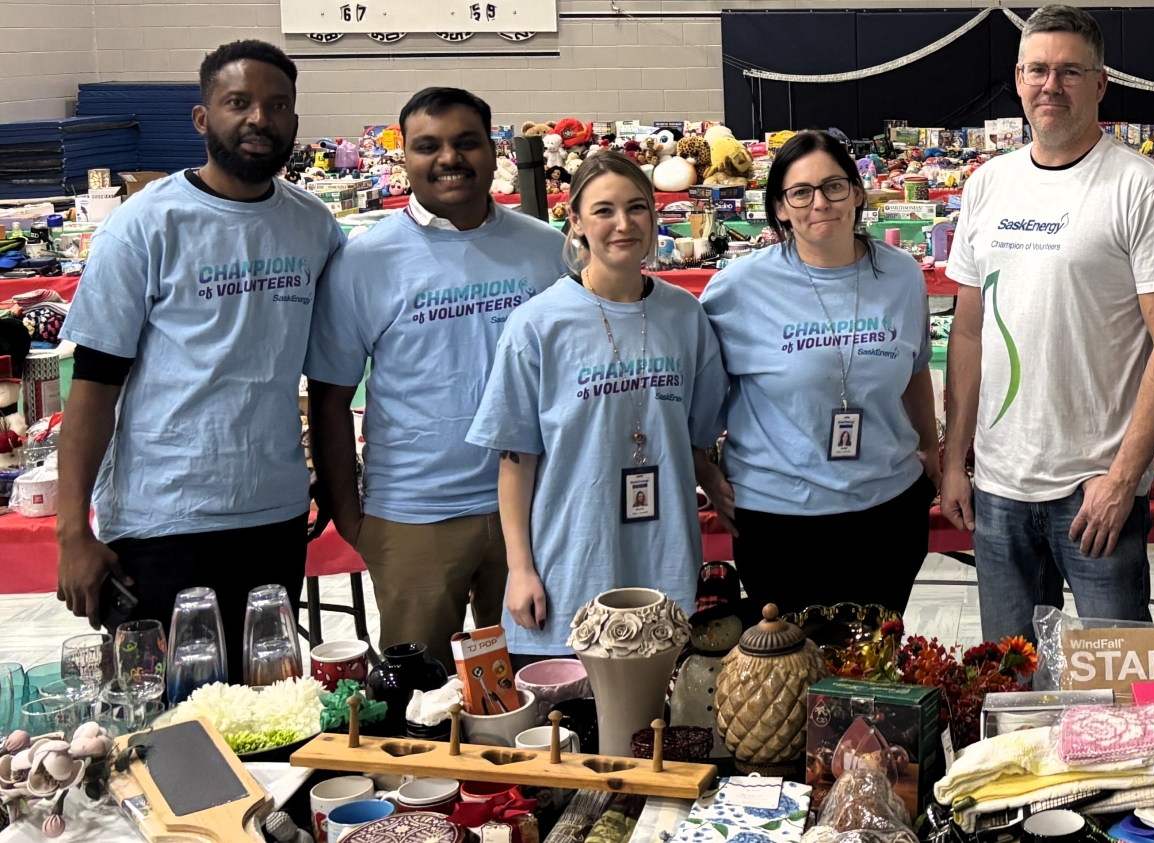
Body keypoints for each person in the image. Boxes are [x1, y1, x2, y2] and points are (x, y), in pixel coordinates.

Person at [54, 40, 344, 678]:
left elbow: (329, 374)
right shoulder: (144, 226)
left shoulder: (314, 226)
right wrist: (73, 531)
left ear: (295, 120)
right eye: (238, 103)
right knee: (164, 718)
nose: (259, 119)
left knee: (268, 710)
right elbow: (94, 388)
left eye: (277, 105)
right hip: (161, 523)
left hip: (273, 515)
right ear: (202, 117)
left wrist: (331, 477)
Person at [941, 4, 1154, 642]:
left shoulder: (1140, 188)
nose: (1050, 85)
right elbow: (967, 333)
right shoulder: (987, 185)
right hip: (999, 489)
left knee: (1117, 682)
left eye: (1070, 72)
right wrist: (954, 463)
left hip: (1096, 492)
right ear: (1018, 79)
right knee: (1012, 680)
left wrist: (1123, 478)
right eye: (1037, 70)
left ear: (1101, 83)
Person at [307, 87, 568, 668]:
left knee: (539, 685)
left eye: (466, 142)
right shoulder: (363, 263)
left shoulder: (547, 251)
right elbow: (329, 400)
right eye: (428, 146)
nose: (449, 158)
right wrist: (352, 519)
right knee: (422, 697)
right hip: (414, 517)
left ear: (494, 151)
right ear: (405, 156)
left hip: (537, 511)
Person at [466, 153, 725, 661]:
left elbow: (694, 438)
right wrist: (520, 569)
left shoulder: (684, 315)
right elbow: (515, 462)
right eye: (604, 210)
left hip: (665, 559)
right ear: (576, 221)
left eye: (636, 207)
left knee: (661, 707)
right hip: (571, 565)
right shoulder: (537, 325)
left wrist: (716, 481)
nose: (623, 224)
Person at [700, 131, 940, 615]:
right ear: (779, 207)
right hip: (779, 520)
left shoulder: (900, 275)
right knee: (792, 661)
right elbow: (696, 395)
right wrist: (702, 467)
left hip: (888, 513)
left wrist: (931, 450)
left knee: (877, 656)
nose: (820, 203)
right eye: (800, 192)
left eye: (833, 186)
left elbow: (915, 371)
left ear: (857, 192)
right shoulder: (737, 288)